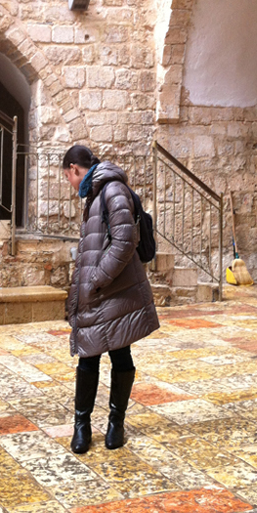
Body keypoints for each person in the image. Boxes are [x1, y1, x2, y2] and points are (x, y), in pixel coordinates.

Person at [63, 145, 159, 454]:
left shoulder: (112, 189)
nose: (69, 184)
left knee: (119, 353)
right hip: (101, 291)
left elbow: (125, 241)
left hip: (115, 289)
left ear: (74, 169)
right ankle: (82, 426)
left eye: (67, 177)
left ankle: (116, 423)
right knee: (89, 355)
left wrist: (96, 279)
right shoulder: (95, 193)